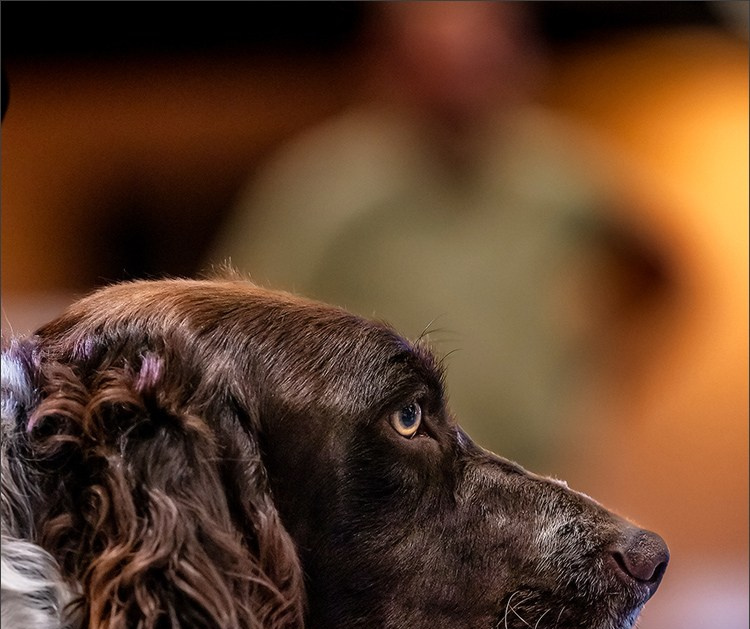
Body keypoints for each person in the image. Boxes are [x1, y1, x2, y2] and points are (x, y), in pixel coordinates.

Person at [207, 0, 662, 471]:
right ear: (389, 65)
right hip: (392, 479)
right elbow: (234, 317)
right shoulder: (328, 181)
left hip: (535, 467)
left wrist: (604, 371)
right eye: (437, 64)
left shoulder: (558, 170)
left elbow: (658, 271)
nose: (459, 86)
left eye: (478, 62)